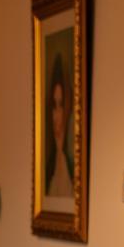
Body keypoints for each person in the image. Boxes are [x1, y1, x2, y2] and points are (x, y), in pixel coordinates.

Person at [45, 51, 74, 198]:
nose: (56, 117)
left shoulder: (73, 167)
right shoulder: (48, 168)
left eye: (61, 105)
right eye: (54, 106)